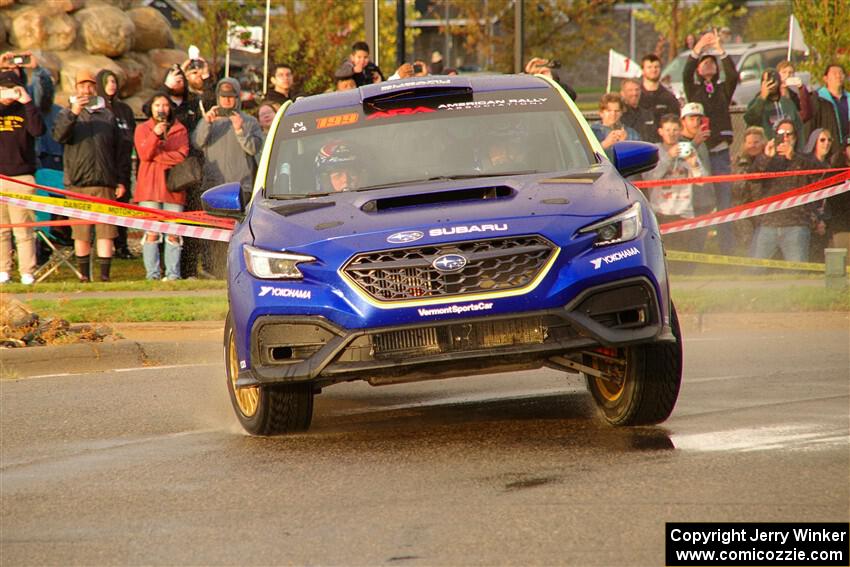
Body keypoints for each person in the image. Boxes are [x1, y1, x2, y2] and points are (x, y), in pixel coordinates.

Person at [53, 70, 127, 282]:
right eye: (82, 85)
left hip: (105, 183)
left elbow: (119, 149)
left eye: (90, 85)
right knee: (81, 233)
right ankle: (84, 276)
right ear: (76, 88)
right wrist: (74, 113)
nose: (86, 90)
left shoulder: (107, 115)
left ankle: (104, 277)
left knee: (106, 232)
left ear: (95, 88)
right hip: (78, 184)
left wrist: (120, 180)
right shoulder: (66, 113)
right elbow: (59, 136)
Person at [193, 78, 263, 276]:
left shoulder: (250, 121)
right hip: (213, 186)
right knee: (213, 231)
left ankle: (238, 270)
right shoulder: (209, 120)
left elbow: (254, 148)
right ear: (218, 97)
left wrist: (240, 130)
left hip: (241, 187)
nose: (227, 101)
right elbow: (197, 143)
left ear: (238, 98)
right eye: (223, 97)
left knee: (238, 231)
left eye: (231, 97)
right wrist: (206, 123)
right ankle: (212, 269)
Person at [683, 30, 740, 254]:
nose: (708, 65)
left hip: (720, 153)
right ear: (698, 69)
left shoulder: (723, 89)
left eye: (712, 63)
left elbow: (733, 76)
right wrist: (697, 49)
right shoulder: (694, 90)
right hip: (700, 153)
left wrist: (719, 50)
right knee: (702, 204)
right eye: (703, 63)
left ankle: (727, 249)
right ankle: (697, 250)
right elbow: (686, 74)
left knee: (724, 202)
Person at [133, 93, 190, 280]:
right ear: (151, 107)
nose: (161, 109)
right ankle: (152, 275)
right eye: (157, 105)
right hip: (149, 188)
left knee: (173, 233)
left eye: (165, 105)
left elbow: (181, 156)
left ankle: (173, 275)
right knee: (152, 233)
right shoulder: (142, 129)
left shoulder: (180, 129)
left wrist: (156, 156)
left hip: (173, 188)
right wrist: (155, 135)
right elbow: (143, 154)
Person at [749, 118, 820, 263]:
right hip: (768, 223)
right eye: (781, 134)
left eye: (789, 134)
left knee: (797, 271)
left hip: (796, 224)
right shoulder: (767, 158)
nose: (785, 138)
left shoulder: (804, 159)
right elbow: (751, 178)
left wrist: (793, 157)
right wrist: (765, 157)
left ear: (795, 137)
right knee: (754, 269)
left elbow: (818, 174)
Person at [0, 70, 45, 285]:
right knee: (2, 229)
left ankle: (27, 271)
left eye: (13, 88)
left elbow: (38, 130)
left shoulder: (25, 109)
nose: (10, 93)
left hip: (22, 177)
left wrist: (27, 102)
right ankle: (3, 270)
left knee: (24, 228)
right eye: (4, 88)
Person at [95, 69, 135, 259]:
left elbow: (131, 137)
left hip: (123, 164)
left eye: (114, 81)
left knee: (123, 206)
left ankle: (122, 245)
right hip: (104, 167)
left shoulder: (124, 110)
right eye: (107, 82)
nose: (111, 85)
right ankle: (104, 246)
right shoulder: (97, 109)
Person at [744, 68, 803, 148]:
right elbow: (750, 120)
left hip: (787, 149)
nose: (770, 83)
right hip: (766, 149)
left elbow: (799, 128)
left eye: (773, 80)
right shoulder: (756, 103)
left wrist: (799, 150)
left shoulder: (788, 103)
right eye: (767, 81)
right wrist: (762, 97)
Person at [731, 126, 767, 253]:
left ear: (763, 143)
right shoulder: (737, 162)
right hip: (743, 212)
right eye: (750, 143)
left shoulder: (770, 160)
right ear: (744, 144)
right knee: (748, 246)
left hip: (765, 212)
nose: (753, 146)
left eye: (756, 142)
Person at [802, 63, 848, 161]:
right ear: (825, 78)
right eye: (834, 73)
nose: (838, 76)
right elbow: (810, 126)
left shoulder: (848, 98)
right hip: (828, 150)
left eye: (841, 73)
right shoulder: (817, 99)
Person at [803, 128, 834, 262]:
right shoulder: (806, 164)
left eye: (829, 140)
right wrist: (816, 220)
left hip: (825, 218)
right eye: (822, 140)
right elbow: (805, 195)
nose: (826, 143)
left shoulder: (830, 165)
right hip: (808, 219)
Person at [590, 93, 640, 160]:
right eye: (609, 111)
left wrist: (624, 144)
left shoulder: (631, 134)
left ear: (621, 112)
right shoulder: (591, 132)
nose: (613, 114)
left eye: (617, 111)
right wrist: (605, 144)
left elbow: (639, 157)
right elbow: (583, 156)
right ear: (601, 113)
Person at [639, 53, 681, 133]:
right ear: (642, 70)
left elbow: (675, 122)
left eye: (656, 67)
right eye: (649, 67)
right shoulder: (635, 95)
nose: (653, 70)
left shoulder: (669, 97)